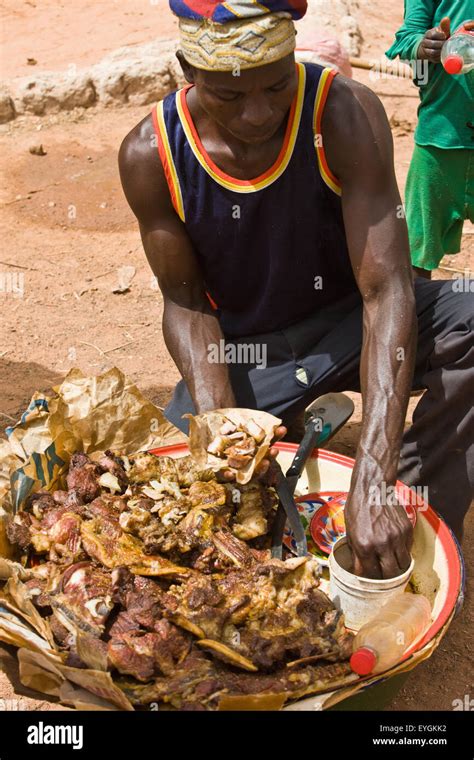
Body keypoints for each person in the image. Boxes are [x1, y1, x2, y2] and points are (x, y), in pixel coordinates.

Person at [119, 0, 473, 578]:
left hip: (351, 322)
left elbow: (386, 289)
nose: (258, 114)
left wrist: (376, 474)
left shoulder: (343, 112)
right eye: (230, 96)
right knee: (175, 499)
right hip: (247, 352)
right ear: (189, 71)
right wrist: (222, 429)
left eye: (277, 87)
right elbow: (183, 300)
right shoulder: (151, 154)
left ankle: (414, 514)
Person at [386, 4, 474, 278]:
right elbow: (406, 38)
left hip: (439, 138)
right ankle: (417, 319)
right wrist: (427, 45)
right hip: (438, 141)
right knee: (415, 259)